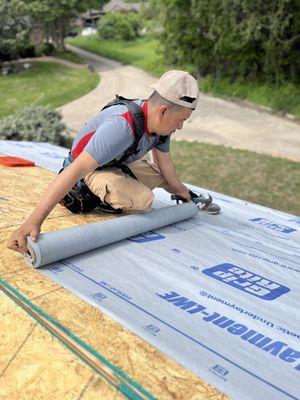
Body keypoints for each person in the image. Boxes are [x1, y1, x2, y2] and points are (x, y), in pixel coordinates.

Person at [7, 70, 214, 255]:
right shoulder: (121, 126)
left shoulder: (161, 127)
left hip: (113, 163)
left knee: (162, 178)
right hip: (85, 171)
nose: (180, 127)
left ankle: (116, 186)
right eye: (182, 120)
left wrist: (181, 191)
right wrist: (33, 222)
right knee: (143, 200)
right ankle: (99, 197)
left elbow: (165, 163)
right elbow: (74, 170)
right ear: (162, 111)